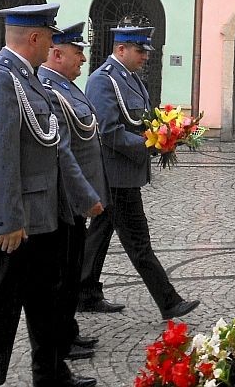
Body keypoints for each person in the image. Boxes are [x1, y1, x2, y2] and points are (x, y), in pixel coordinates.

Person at [0, 4, 103, 387]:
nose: (52, 46)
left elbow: (54, 146)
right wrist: (7, 220)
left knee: (46, 302)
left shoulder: (28, 78)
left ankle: (52, 375)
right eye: (50, 38)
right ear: (36, 37)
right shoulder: (0, 77)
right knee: (0, 310)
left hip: (41, 216)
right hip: (16, 223)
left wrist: (82, 196)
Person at [78, 25, 200, 321]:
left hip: (124, 176)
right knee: (138, 243)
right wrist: (152, 144)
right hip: (115, 178)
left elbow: (142, 121)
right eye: (139, 51)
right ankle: (168, 301)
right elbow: (108, 131)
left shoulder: (131, 79)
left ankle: (85, 294)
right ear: (121, 49)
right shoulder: (103, 80)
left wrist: (170, 132)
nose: (145, 56)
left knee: (98, 236)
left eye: (146, 51)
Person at [38, 22, 109, 364]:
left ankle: (68, 333)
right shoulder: (50, 90)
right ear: (57, 54)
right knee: (63, 276)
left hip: (75, 201)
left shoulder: (68, 87)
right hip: (66, 201)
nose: (82, 59)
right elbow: (62, 151)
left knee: (71, 271)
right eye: (77, 52)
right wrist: (85, 196)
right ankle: (61, 341)